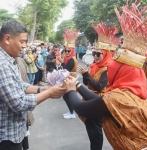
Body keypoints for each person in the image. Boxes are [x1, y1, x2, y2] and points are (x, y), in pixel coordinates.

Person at [62, 2, 147, 150]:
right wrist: (77, 85)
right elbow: (102, 100)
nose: (96, 56)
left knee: (95, 136)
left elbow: (82, 107)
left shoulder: (117, 97)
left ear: (122, 71)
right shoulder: (131, 94)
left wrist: (70, 89)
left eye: (114, 67)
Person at [0, 20, 66, 150]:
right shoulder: (2, 64)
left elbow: (21, 85)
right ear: (7, 39)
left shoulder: (9, 59)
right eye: (22, 41)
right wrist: (49, 93)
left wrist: (43, 88)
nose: (25, 46)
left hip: (15, 132)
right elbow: (18, 103)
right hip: (7, 137)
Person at [77, 22, 116, 150]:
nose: (95, 56)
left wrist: (86, 75)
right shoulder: (94, 66)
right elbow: (87, 83)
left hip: (98, 101)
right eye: (94, 53)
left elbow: (99, 87)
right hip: (90, 98)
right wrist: (85, 74)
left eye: (98, 54)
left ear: (105, 54)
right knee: (91, 129)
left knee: (95, 132)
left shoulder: (107, 68)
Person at [61, 29, 78, 119]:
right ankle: (70, 111)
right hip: (68, 77)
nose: (66, 52)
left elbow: (66, 69)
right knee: (66, 96)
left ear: (72, 51)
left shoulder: (72, 59)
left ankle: (72, 112)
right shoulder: (68, 58)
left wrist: (61, 62)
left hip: (70, 78)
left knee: (68, 96)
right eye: (65, 50)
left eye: (68, 51)